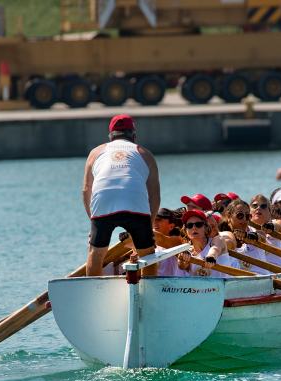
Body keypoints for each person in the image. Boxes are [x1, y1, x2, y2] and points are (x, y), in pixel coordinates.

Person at [82, 114, 160, 276]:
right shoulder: (145, 154)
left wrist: (93, 221)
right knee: (148, 254)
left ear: (110, 136)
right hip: (135, 205)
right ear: (134, 136)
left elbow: (86, 189)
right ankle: (150, 293)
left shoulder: (96, 153)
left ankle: (95, 293)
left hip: (103, 203)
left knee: (96, 253)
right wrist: (149, 226)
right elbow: (155, 196)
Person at [218, 199, 273, 275]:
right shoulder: (222, 235)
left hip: (261, 279)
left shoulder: (256, 232)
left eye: (247, 216)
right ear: (228, 216)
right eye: (240, 215)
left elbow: (262, 238)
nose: (244, 219)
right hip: (237, 281)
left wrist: (249, 236)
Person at [175, 210, 231, 277]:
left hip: (223, 286)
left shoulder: (218, 240)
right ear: (186, 230)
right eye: (189, 225)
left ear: (206, 227)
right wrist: (182, 263)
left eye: (198, 224)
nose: (194, 228)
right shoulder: (188, 252)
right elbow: (181, 266)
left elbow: (215, 248)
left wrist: (211, 256)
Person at [249, 193, 281, 270]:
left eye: (263, 206)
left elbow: (280, 225)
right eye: (255, 206)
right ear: (249, 211)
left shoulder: (278, 223)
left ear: (270, 211)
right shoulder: (246, 229)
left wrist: (271, 227)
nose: (258, 208)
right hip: (257, 274)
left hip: (278, 272)